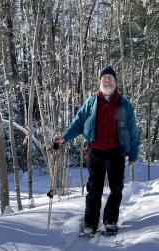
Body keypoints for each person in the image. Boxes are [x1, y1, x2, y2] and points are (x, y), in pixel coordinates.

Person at [53, 66, 140, 235]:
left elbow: (133, 131)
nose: (107, 81)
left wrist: (133, 154)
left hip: (117, 152)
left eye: (110, 78)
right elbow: (78, 123)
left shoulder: (124, 104)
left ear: (115, 82)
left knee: (116, 189)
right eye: (104, 78)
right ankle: (90, 225)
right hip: (96, 152)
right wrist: (65, 137)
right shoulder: (91, 103)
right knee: (94, 190)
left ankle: (110, 222)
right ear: (100, 82)